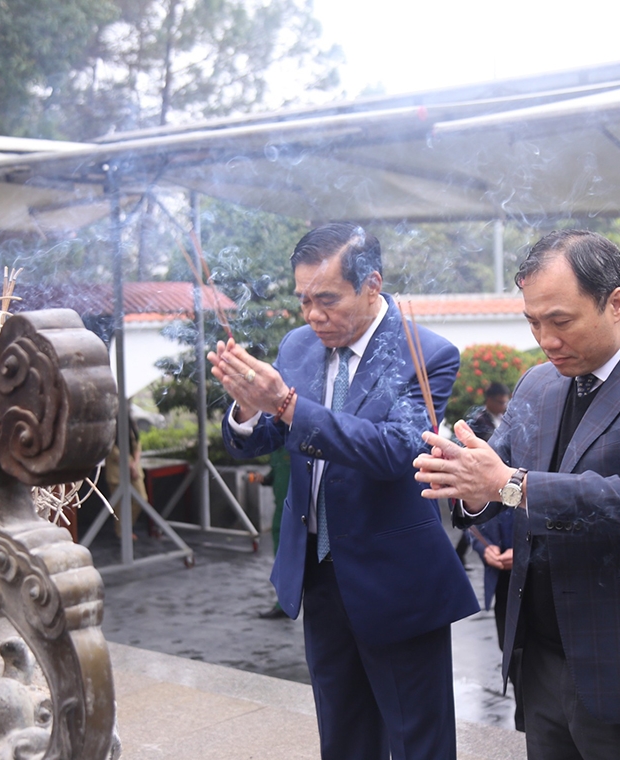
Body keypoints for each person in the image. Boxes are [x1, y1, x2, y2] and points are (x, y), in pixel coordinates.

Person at [413, 229, 620, 759]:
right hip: (540, 659)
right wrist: (469, 481)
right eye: (533, 322)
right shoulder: (538, 384)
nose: (546, 339)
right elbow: (497, 487)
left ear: (615, 302)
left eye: (560, 320)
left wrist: (507, 484)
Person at [208, 223, 478, 760]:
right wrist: (245, 405)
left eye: (327, 299)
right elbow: (262, 435)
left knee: (417, 738)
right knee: (342, 730)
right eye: (303, 299)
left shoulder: (424, 353)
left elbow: (393, 452)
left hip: (395, 576)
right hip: (318, 568)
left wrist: (283, 402)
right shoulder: (299, 346)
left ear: (371, 284)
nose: (312, 315)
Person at [467, 508, 525, 732]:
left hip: (537, 579)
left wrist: (524, 552)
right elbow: (468, 520)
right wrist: (483, 547)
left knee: (530, 668)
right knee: (511, 658)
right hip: (502, 581)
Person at [455, 382, 511, 565]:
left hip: (504, 478)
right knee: (476, 519)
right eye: (500, 402)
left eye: (506, 402)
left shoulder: (506, 418)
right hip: (483, 478)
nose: (504, 406)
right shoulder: (480, 420)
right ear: (489, 400)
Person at [251, 447, 292, 619]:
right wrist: (264, 479)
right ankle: (283, 603)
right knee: (282, 559)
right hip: (281, 511)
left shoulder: (299, 443)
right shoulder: (278, 447)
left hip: (298, 512)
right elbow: (275, 475)